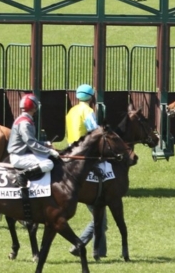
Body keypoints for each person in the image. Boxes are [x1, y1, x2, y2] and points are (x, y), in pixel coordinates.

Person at [65, 84, 105, 260]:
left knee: (101, 217)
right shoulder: (88, 111)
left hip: (70, 154)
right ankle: (82, 244)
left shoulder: (71, 111)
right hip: (85, 157)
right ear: (92, 97)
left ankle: (100, 252)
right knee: (100, 215)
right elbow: (95, 134)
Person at [8, 94, 61, 186]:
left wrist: (45, 143)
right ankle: (23, 175)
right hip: (19, 156)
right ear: (34, 108)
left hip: (22, 153)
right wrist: (50, 151)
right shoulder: (25, 123)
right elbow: (31, 143)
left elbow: (31, 141)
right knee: (49, 164)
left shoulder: (23, 119)